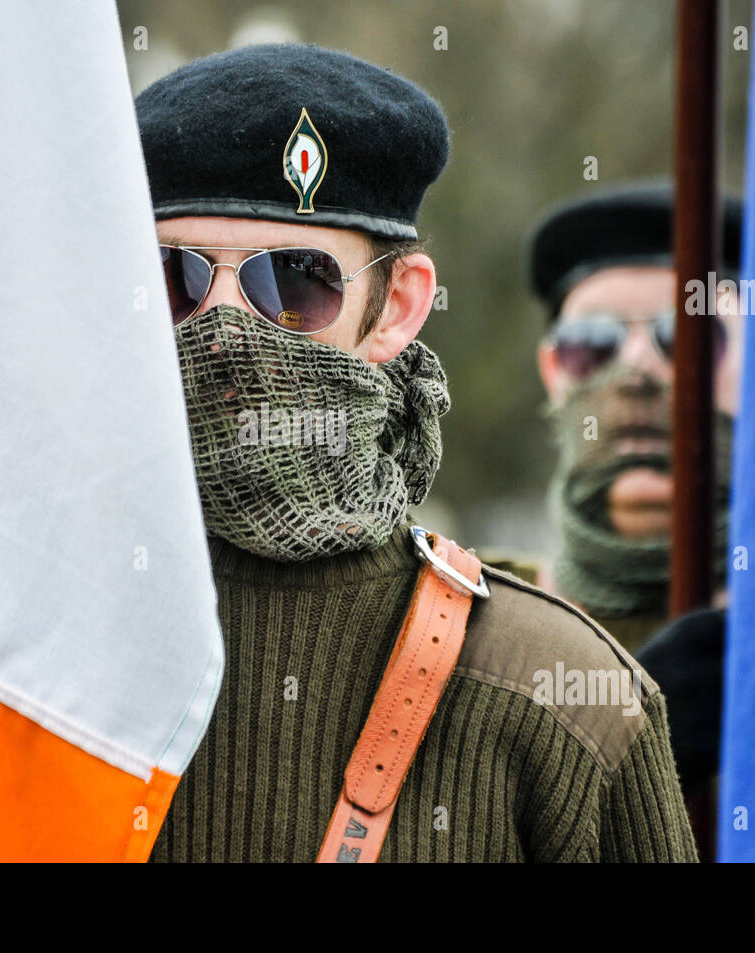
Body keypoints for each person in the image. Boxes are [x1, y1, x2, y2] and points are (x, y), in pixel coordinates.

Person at [137, 44, 696, 862]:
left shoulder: (563, 696)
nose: (227, 328)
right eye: (173, 277)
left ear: (397, 306)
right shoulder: (15, 650)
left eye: (292, 281)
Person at [483, 183, 743, 655]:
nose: (636, 369)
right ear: (553, 373)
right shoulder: (462, 623)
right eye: (592, 342)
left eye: (688, 335)